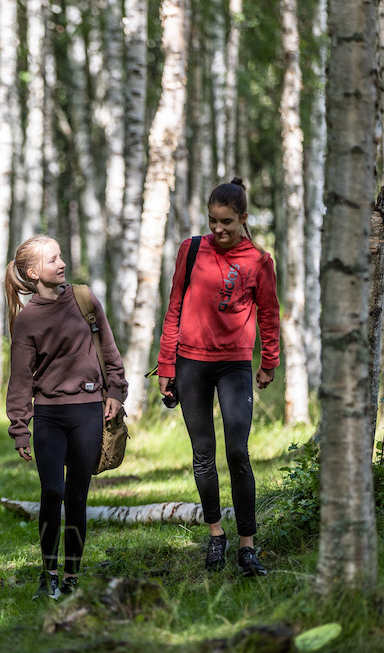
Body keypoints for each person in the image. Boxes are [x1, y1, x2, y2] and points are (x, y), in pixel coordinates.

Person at [157, 178, 279, 577]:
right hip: (191, 363)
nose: (218, 229)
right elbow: (174, 305)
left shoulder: (259, 261)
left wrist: (269, 362)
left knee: (238, 453)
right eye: (212, 220)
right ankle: (215, 534)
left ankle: (248, 546)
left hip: (234, 366)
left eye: (227, 221)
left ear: (244, 219)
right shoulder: (192, 250)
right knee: (203, 454)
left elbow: (268, 313)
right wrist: (167, 365)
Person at [5, 235, 128, 600]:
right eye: (53, 259)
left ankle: (72, 576)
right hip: (48, 417)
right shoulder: (27, 320)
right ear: (33, 272)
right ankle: (49, 575)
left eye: (61, 257)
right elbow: (21, 379)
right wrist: (19, 428)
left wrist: (117, 393)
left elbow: (109, 350)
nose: (62, 263)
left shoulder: (84, 299)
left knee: (76, 495)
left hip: (88, 411)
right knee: (52, 492)